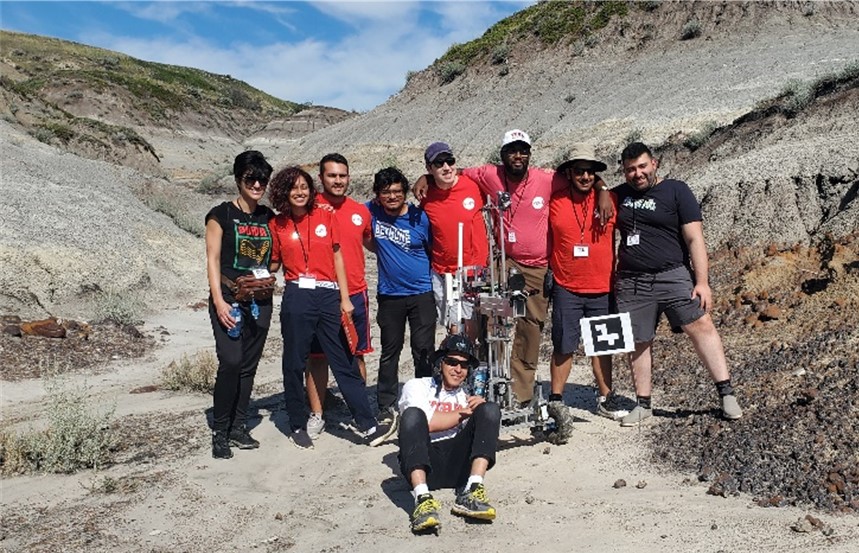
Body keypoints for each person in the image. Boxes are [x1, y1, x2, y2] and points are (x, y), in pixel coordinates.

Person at [416, 130, 613, 407]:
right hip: (502, 263)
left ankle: (521, 393)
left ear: (529, 155)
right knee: (493, 322)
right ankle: (484, 383)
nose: (517, 156)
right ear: (503, 154)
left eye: (523, 151)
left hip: (535, 268)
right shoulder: (488, 174)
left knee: (529, 327)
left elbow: (582, 175)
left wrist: (602, 187)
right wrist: (425, 177)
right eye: (512, 151)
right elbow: (451, 170)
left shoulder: (547, 178)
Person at [613, 142, 743, 426]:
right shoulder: (617, 196)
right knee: (638, 340)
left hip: (673, 274)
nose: (637, 174)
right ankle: (643, 403)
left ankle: (726, 394)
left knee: (701, 325)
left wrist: (702, 282)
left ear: (654, 164)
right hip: (632, 282)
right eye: (630, 170)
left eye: (642, 166)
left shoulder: (676, 190)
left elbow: (695, 239)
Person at [268, 166, 383, 449]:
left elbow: (338, 258)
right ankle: (298, 423)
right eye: (293, 188)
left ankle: (367, 424)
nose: (299, 192)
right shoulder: (277, 225)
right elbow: (272, 263)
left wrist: (345, 298)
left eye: (304, 187)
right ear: (284, 192)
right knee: (295, 362)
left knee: (344, 360)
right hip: (296, 297)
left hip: (328, 296)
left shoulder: (324, 216)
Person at [548, 143, 629, 421]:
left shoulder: (610, 201)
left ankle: (606, 397)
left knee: (603, 345)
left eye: (591, 172)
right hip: (566, 285)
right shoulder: (554, 200)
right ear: (569, 173)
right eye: (579, 171)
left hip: (602, 287)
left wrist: (604, 190)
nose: (585, 177)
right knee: (563, 345)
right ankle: (556, 400)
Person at [205, 150, 275, 459]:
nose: (257, 184)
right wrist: (219, 300)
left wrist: (268, 277)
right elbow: (212, 259)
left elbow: (277, 257)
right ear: (238, 180)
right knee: (231, 362)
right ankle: (220, 429)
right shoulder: (221, 214)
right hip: (230, 299)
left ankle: (239, 426)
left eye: (262, 179)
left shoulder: (268, 217)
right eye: (251, 178)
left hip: (260, 301)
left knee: (248, 366)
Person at [397, 334, 501, 533]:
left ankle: (473, 488)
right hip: (424, 461)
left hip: (457, 465)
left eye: (463, 365)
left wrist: (481, 412)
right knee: (412, 415)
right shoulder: (417, 386)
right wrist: (463, 414)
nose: (458, 369)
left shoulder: (467, 396)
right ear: (440, 363)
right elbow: (425, 423)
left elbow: (481, 439)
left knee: (490, 409)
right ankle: (422, 498)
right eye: (452, 362)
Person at [364, 167, 436, 446]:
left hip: (421, 293)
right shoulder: (371, 211)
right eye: (386, 192)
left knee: (423, 349)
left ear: (404, 192)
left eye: (397, 191)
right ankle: (386, 404)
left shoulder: (420, 217)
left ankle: (423, 398)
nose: (392, 196)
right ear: (377, 195)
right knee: (389, 350)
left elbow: (431, 250)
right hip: (389, 294)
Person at [305, 154, 373, 439]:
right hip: (320, 295)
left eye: (342, 176)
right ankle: (317, 414)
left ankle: (359, 407)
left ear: (349, 177)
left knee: (356, 355)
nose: (338, 181)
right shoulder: (308, 208)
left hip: (356, 293)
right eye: (331, 176)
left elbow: (370, 242)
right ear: (321, 178)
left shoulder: (360, 211)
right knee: (317, 357)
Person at [419, 142, 488, 341]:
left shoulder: (473, 185)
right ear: (429, 169)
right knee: (451, 322)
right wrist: (424, 179)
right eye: (439, 163)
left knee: (469, 322)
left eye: (449, 161)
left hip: (472, 270)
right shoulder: (426, 195)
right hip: (442, 271)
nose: (446, 167)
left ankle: (468, 359)